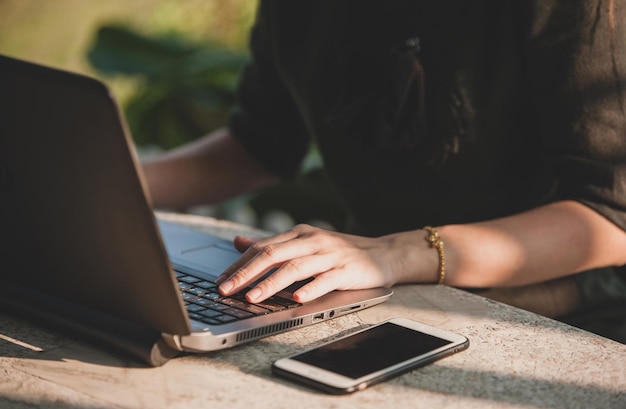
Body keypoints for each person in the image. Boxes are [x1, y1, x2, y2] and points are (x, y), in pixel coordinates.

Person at [142, 0, 626, 341]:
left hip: (555, 324)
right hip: (368, 299)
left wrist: (392, 253)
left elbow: (611, 213)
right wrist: (112, 182)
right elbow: (259, 145)